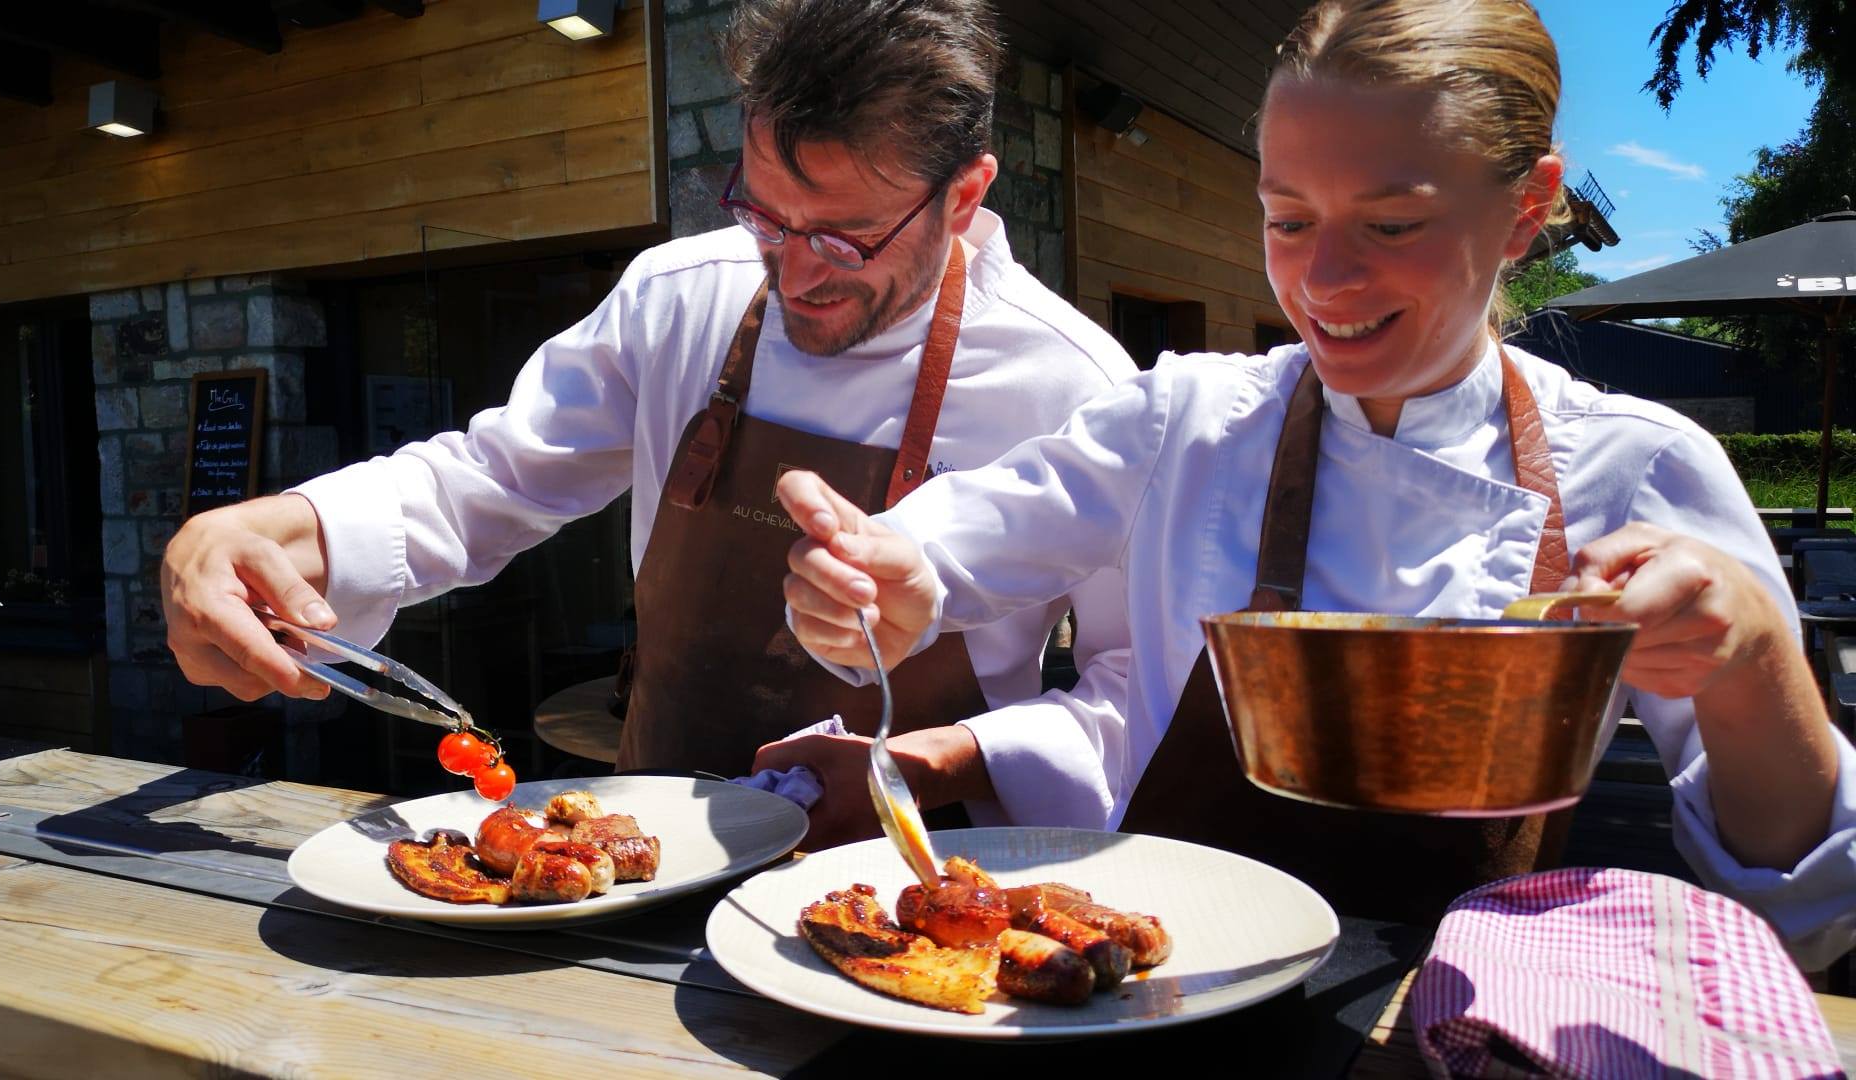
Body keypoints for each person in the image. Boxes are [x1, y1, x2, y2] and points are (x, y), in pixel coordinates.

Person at [772, 0, 1856, 966]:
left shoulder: (1638, 467)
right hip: (1162, 995)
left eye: (1391, 225)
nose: (1324, 281)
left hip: (1454, 1031)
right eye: (1287, 220)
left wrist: (1753, 655)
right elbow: (948, 549)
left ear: (1528, 206)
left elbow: (1812, 906)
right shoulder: (1184, 421)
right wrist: (881, 578)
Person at [158, 0, 1135, 828]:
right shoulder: (680, 297)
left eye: (843, 238)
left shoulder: (1073, 383)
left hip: (914, 910)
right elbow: (491, 477)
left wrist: (958, 757)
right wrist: (281, 533)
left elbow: (1133, 687)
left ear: (964, 197)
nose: (792, 275)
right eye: (762, 212)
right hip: (645, 862)